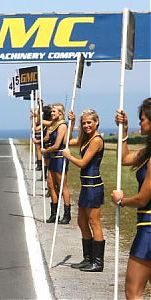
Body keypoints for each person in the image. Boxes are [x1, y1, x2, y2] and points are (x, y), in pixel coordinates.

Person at [111, 97, 151, 300]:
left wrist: (121, 200)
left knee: (133, 292)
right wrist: (124, 131)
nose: (140, 122)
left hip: (149, 229)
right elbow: (124, 159)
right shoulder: (147, 152)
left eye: (142, 118)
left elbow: (143, 198)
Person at [62, 109, 105, 272]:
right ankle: (88, 258)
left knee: (94, 222)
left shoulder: (96, 140)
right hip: (85, 186)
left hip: (93, 185)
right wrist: (71, 123)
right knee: (81, 221)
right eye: (84, 123)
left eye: (89, 122)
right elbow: (67, 140)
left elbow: (83, 163)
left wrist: (69, 157)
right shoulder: (86, 138)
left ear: (97, 122)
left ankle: (98, 262)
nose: (86, 125)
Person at [41, 103, 71, 224]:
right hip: (53, 158)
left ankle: (67, 214)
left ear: (61, 113)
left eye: (55, 111)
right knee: (51, 184)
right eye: (52, 111)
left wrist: (45, 150)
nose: (52, 113)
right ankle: (54, 214)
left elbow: (57, 145)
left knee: (62, 186)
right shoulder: (53, 124)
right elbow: (43, 122)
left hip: (59, 157)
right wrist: (38, 111)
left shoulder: (62, 125)